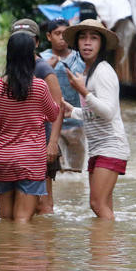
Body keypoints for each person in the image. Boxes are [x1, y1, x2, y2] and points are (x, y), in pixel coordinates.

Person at [61, 19, 129, 220]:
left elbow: (108, 112)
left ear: (102, 44)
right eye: (83, 38)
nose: (87, 43)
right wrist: (73, 111)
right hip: (98, 147)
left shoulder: (103, 71)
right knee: (103, 205)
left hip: (111, 146)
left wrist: (82, 91)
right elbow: (95, 112)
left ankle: (105, 248)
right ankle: (107, 250)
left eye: (93, 38)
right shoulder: (88, 72)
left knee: (97, 204)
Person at [0, 32, 60, 222]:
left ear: (8, 55)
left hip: (4, 158)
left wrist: (7, 141)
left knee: (5, 219)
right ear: (32, 56)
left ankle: (6, 251)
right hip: (31, 160)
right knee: (22, 221)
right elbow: (53, 114)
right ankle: (21, 251)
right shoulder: (40, 87)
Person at [10, 19, 63, 215]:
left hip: (42, 142)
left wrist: (53, 143)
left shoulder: (43, 70)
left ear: (37, 43)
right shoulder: (12, 69)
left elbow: (58, 110)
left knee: (44, 204)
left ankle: (46, 242)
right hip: (20, 145)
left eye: (29, 40)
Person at [40, 18, 87, 173]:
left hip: (76, 121)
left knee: (75, 171)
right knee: (55, 170)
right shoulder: (41, 59)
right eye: (57, 33)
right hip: (51, 124)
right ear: (48, 36)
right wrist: (47, 68)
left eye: (64, 34)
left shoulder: (81, 58)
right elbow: (33, 84)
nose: (61, 37)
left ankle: (73, 196)